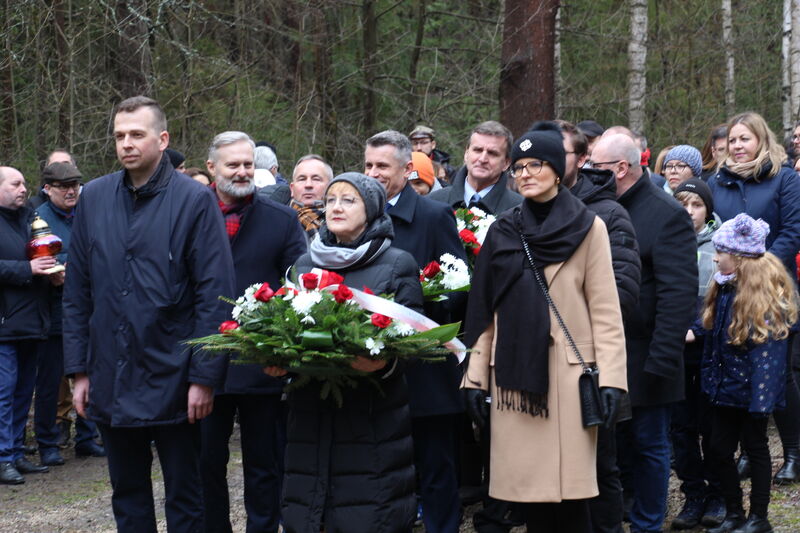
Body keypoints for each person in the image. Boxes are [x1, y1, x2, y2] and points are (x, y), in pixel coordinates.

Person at [62, 96, 235, 533]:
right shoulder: (95, 198)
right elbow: (78, 293)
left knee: (184, 495)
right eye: (119, 135)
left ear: (162, 139)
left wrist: (204, 377)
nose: (126, 144)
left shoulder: (195, 201)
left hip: (175, 375)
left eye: (136, 134)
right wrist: (78, 370)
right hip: (110, 372)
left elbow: (215, 295)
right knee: (127, 494)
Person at [461, 128, 628, 532]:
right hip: (516, 385)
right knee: (528, 502)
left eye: (535, 165)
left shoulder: (589, 227)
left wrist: (612, 380)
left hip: (569, 382)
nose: (525, 174)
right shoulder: (502, 231)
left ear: (556, 170)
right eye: (518, 167)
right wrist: (474, 378)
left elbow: (605, 311)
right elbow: (485, 312)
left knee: (572, 504)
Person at [266, 173, 423, 533]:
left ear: (371, 210)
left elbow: (415, 343)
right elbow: (289, 329)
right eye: (331, 199)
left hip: (371, 416)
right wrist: (281, 362)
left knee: (368, 515)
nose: (335, 207)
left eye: (348, 200)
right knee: (308, 516)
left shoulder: (398, 263)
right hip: (309, 412)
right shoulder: (305, 264)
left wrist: (382, 364)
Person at [201, 131, 307, 533]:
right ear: (212, 168)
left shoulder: (280, 219)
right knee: (206, 461)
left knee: (264, 464)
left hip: (261, 362)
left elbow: (296, 286)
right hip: (204, 362)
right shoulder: (190, 215)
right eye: (234, 164)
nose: (243, 171)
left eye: (249, 164)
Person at [592, 133, 698, 533]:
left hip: (650, 354)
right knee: (613, 447)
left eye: (596, 167)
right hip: (608, 350)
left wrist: (661, 360)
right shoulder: (601, 209)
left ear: (621, 168)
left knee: (650, 446)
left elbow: (677, 294)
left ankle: (647, 524)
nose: (587, 174)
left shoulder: (665, 213)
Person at [364, 130, 466, 533]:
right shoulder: (355, 214)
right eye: (368, 165)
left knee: (436, 467)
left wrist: (415, 310)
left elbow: (457, 284)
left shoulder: (434, 216)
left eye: (382, 167)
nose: (372, 174)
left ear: (408, 170)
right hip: (372, 365)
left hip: (425, 369)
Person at [552, 119, 641, 533]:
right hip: (539, 366)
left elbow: (620, 295)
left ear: (581, 160)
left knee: (599, 470)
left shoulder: (607, 215)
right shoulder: (521, 216)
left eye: (558, 153)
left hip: (587, 365)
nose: (542, 165)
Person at [708, 111, 800, 485]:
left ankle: (793, 452)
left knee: (781, 374)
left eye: (745, 139)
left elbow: (793, 229)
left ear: (761, 140)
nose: (737, 146)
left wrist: (759, 270)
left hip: (774, 290)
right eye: (732, 140)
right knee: (738, 369)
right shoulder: (716, 182)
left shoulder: (784, 178)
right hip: (729, 290)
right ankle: (751, 451)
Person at [701, 214, 798, 533]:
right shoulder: (724, 287)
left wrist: (761, 403)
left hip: (751, 394)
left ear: (740, 259)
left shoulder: (763, 301)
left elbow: (768, 357)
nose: (715, 258)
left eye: (721, 252)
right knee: (718, 449)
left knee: (755, 449)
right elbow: (715, 330)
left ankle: (759, 517)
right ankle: (734, 512)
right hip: (725, 388)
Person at [35, 163, 105, 468]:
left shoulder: (89, 213)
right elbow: (38, 256)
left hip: (89, 310)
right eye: (63, 186)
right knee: (51, 383)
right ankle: (47, 442)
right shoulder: (38, 218)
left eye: (75, 184)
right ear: (48, 189)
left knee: (89, 374)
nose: (71, 190)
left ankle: (87, 437)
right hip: (53, 311)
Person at [669, 178, 725, 529]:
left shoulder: (721, 245)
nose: (688, 212)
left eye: (696, 205)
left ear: (707, 209)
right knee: (680, 428)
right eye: (683, 204)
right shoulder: (667, 240)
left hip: (710, 350)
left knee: (712, 426)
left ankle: (718, 493)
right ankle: (693, 494)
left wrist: (699, 328)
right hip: (674, 351)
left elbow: (726, 300)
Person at [0, 166, 59, 484]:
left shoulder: (31, 217)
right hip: (4, 325)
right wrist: (28, 269)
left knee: (23, 392)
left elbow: (43, 255)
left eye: (25, 182)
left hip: (33, 321)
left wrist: (53, 272)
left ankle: (16, 453)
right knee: (3, 393)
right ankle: (2, 457)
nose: (24, 188)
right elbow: (23, 265)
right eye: (15, 183)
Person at [428, 121, 522, 214]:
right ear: (466, 154)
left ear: (506, 163)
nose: (482, 159)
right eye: (478, 150)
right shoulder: (433, 203)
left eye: (492, 153)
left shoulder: (520, 210)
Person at [287, 154, 333, 242]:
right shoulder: (277, 223)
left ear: (330, 187)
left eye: (316, 179)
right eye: (302, 179)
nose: (308, 185)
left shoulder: (343, 224)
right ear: (292, 189)